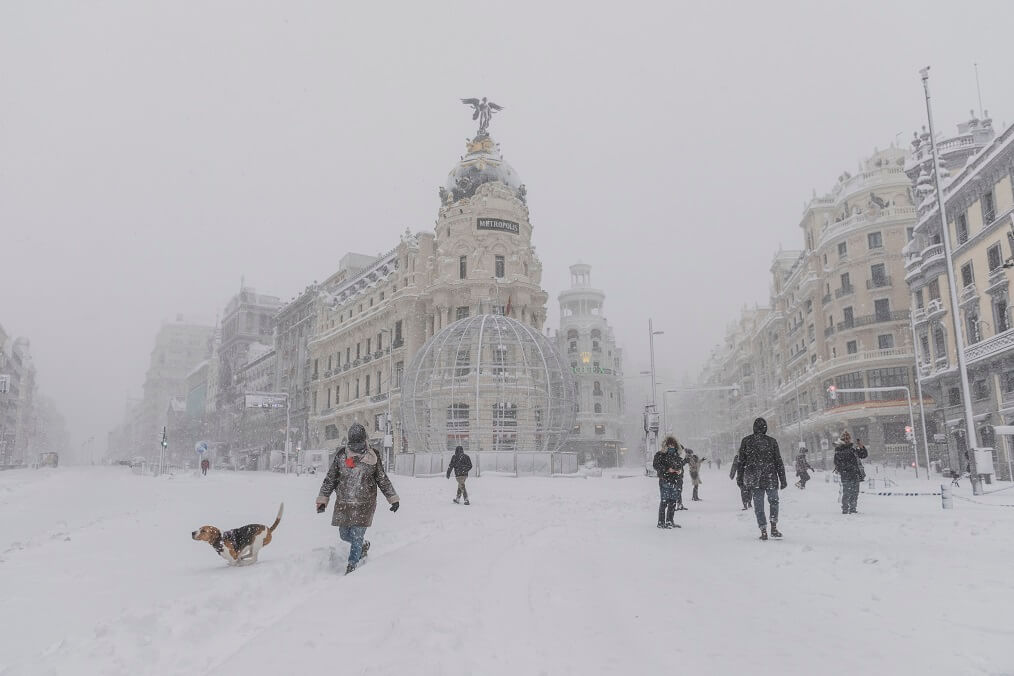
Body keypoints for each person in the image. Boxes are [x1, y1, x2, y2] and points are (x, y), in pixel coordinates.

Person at [316, 423, 400, 574]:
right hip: (344, 503)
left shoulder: (373, 456)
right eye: (353, 444)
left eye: (359, 443)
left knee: (356, 535)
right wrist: (323, 500)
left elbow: (382, 478)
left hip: (365, 503)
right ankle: (363, 545)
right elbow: (331, 478)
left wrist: (392, 498)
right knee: (344, 534)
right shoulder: (342, 455)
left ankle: (352, 566)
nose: (357, 447)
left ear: (365, 440)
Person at [736, 417, 787, 540]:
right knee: (773, 501)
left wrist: (740, 478)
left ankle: (763, 529)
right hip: (770, 477)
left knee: (759, 505)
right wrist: (783, 479)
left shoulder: (746, 441)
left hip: (755, 478)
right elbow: (778, 461)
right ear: (765, 428)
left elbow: (741, 462)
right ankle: (773, 526)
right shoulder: (772, 441)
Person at [652, 436, 686, 529]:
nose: (671, 446)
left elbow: (680, 466)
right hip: (665, 481)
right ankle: (661, 522)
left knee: (673, 502)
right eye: (669, 445)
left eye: (673, 445)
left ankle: (670, 521)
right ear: (666, 445)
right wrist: (667, 470)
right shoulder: (660, 455)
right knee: (664, 502)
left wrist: (679, 471)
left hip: (675, 481)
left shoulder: (677, 456)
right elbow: (655, 465)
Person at [833, 430, 868, 515]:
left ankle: (852, 508)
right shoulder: (839, 450)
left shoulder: (853, 449)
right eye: (845, 438)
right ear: (842, 439)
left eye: (848, 438)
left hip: (854, 474)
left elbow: (863, 455)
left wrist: (862, 447)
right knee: (847, 492)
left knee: (855, 492)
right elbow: (837, 463)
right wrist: (846, 468)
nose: (846, 440)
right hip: (846, 475)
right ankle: (845, 508)